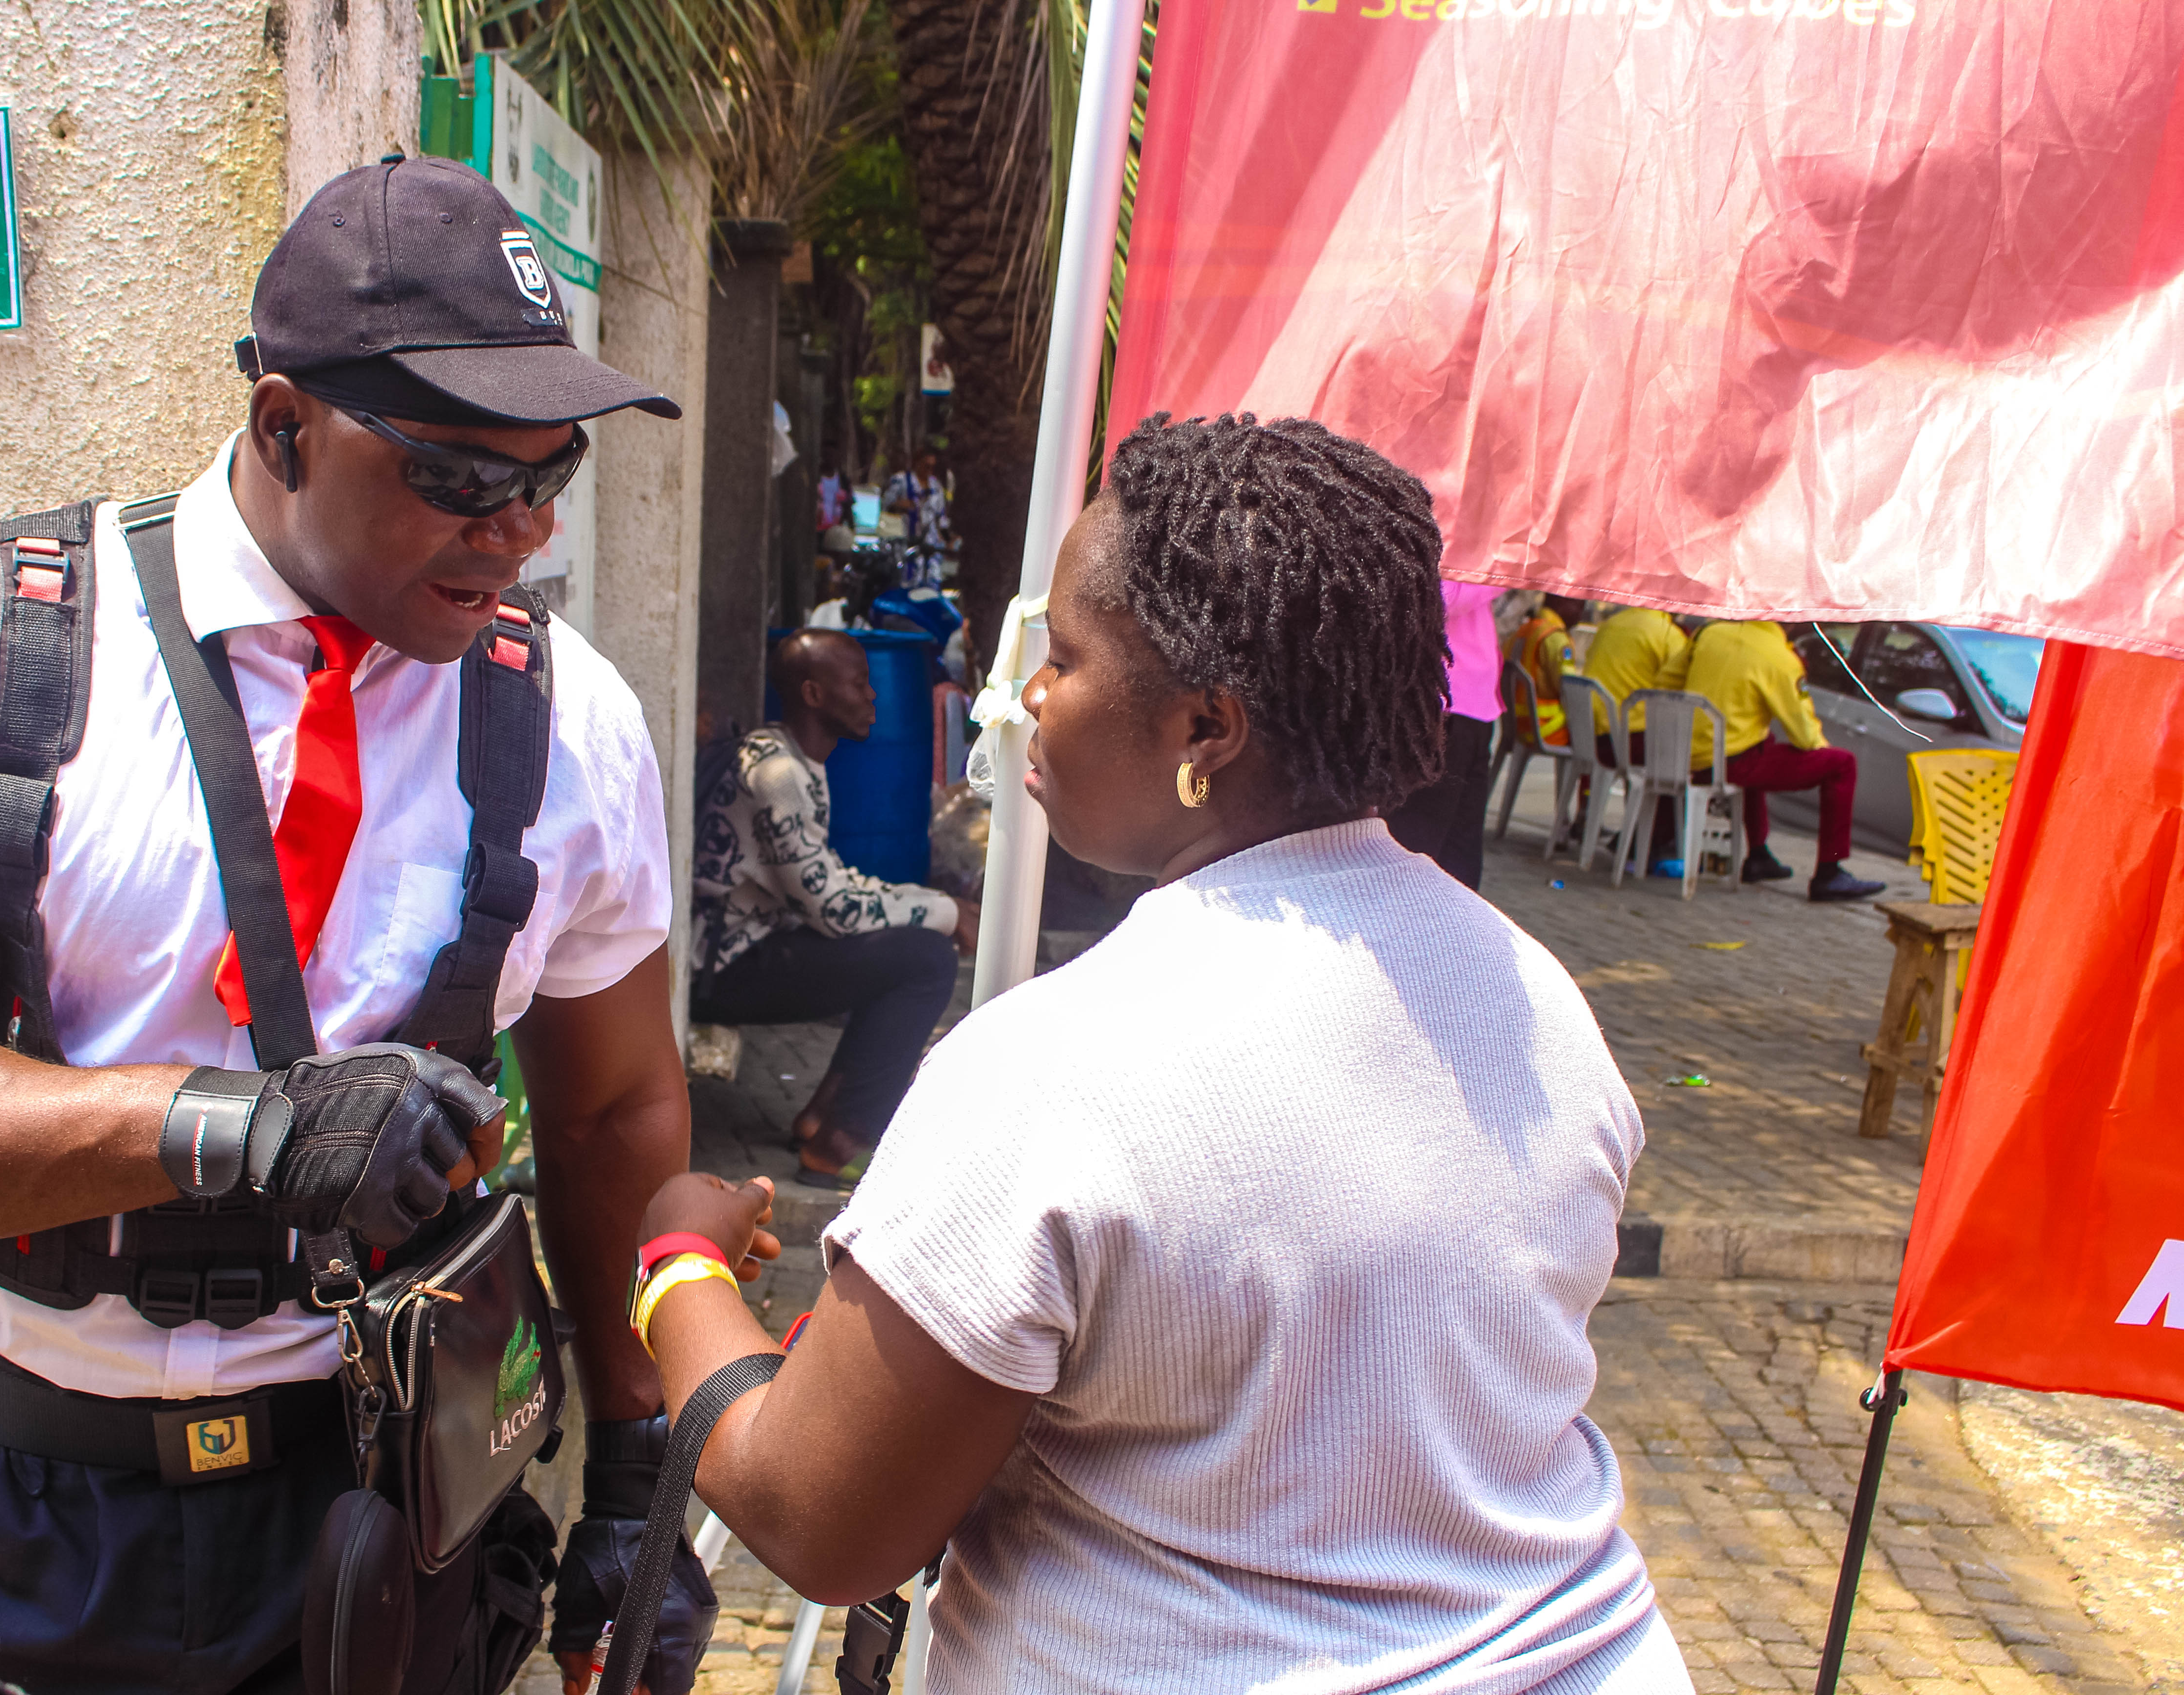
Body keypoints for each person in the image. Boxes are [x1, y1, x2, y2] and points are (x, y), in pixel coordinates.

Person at [0, 159, 717, 1695]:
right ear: (282, 425)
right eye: (461, 477)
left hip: (391, 1521)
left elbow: (614, 1109)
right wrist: (221, 1131)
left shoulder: (567, 722)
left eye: (553, 473)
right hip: (19, 1520)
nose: (519, 529)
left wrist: (643, 1471)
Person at [634, 415, 1691, 1695]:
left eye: (1066, 661)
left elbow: (817, 1514)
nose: (1025, 701)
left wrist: (678, 1265)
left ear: (1205, 730)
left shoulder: (1054, 1067)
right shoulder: (1539, 1007)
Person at [690, 630, 978, 1188]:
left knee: (906, 949)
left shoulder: (789, 755)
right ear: (815, 695)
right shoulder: (779, 776)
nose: (872, 696)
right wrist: (943, 913)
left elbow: (828, 881)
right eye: (858, 684)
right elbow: (837, 912)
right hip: (720, 967)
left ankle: (822, 1118)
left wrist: (933, 905)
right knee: (924, 962)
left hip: (750, 944)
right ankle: (841, 1143)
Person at [1682, 619, 1886, 900]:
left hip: (1687, 756)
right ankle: (1830, 870)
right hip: (1732, 764)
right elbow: (1803, 734)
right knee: (1842, 764)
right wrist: (1821, 752)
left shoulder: (1709, 634)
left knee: (1762, 745)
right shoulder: (1779, 658)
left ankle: (1759, 854)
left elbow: (1668, 681)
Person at [1384, 579, 1502, 889]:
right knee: (1416, 846)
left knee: (1459, 852)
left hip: (1473, 705)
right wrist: (1500, 574)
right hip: (1439, 699)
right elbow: (1433, 597)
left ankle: (1453, 935)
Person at [1583, 603, 1693, 872]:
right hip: (1631, 743)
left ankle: (1638, 836)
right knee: (1680, 764)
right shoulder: (1667, 634)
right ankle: (1652, 844)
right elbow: (1681, 687)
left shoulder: (1612, 624)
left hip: (1593, 737)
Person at [1506, 591, 1585, 747]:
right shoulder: (1555, 637)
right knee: (1593, 742)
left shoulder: (1524, 629)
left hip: (1517, 724)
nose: (1580, 614)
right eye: (1579, 606)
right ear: (1561, 603)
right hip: (1547, 729)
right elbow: (1569, 689)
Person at [882, 449, 954, 589]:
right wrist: (903, 505)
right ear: (917, 463)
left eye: (932, 467)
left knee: (931, 586)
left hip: (930, 547)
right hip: (906, 546)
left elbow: (941, 518)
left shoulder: (936, 486)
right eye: (927, 466)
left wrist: (948, 540)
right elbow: (886, 505)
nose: (929, 470)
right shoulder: (901, 481)